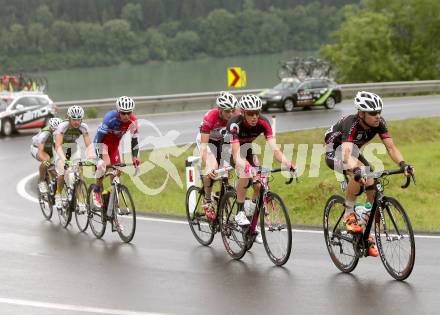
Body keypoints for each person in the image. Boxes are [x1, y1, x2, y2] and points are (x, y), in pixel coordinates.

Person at [324, 91, 415, 257]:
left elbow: (391, 148)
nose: (377, 116)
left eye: (379, 112)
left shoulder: (379, 123)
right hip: (335, 151)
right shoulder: (351, 123)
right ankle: (349, 214)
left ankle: (365, 234)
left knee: (373, 191)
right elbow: (345, 155)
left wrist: (403, 164)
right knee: (361, 172)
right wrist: (357, 170)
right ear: (361, 113)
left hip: (353, 150)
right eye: (373, 113)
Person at [227, 94, 296, 235]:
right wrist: (247, 167)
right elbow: (236, 155)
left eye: (257, 113)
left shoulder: (263, 122)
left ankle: (251, 220)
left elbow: (275, 150)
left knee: (258, 185)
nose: (254, 117)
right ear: (242, 112)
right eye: (250, 114)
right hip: (232, 149)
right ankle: (240, 212)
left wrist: (287, 162)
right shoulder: (235, 124)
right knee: (246, 172)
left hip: (248, 149)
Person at [196, 91, 239, 221]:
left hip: (222, 142)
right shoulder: (211, 116)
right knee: (213, 166)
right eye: (227, 111)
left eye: (233, 110)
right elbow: (204, 146)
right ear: (220, 109)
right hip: (206, 141)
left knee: (234, 164)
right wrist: (208, 165)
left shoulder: (236, 117)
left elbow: (238, 141)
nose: (231, 114)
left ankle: (222, 193)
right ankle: (207, 201)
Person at [92, 96, 140, 208]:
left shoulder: (133, 121)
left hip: (114, 147)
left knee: (117, 172)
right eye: (123, 113)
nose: (126, 116)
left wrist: (134, 157)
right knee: (105, 165)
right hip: (102, 144)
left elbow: (135, 140)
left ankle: (109, 197)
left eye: (129, 113)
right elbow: (99, 139)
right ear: (118, 111)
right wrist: (99, 159)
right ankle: (96, 191)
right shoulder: (110, 118)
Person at [54, 105, 96, 209]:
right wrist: (64, 160)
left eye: (79, 119)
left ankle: (80, 198)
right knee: (62, 171)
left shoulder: (83, 127)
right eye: (74, 119)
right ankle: (58, 194)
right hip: (60, 148)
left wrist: (91, 158)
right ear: (69, 118)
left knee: (78, 170)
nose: (76, 122)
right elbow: (58, 145)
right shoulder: (63, 126)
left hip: (72, 147)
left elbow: (89, 145)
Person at [30, 117, 62, 193]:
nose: (56, 133)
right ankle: (41, 181)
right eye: (54, 131)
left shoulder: (62, 132)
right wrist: (49, 163)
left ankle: (54, 190)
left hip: (49, 149)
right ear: (51, 128)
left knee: (56, 169)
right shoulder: (44, 134)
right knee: (46, 160)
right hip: (37, 149)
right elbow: (41, 151)